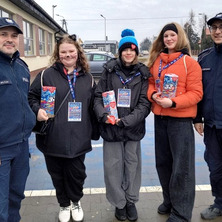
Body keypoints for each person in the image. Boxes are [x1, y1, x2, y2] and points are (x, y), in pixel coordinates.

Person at [28, 34, 96, 222]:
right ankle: (64, 204)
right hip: (52, 137)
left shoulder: (88, 78)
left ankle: (76, 201)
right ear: (58, 54)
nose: (67, 55)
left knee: (77, 175)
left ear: (78, 52)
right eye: (63, 52)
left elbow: (93, 106)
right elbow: (31, 97)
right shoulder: (46, 75)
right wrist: (38, 110)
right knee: (57, 175)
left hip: (78, 137)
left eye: (71, 51)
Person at [147, 22, 203, 222]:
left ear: (179, 37)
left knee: (182, 168)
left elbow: (196, 93)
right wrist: (153, 95)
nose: (169, 39)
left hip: (180, 121)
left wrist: (173, 102)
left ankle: (181, 213)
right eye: (165, 36)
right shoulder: (157, 61)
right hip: (160, 119)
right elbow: (151, 83)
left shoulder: (190, 63)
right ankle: (169, 200)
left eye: (172, 35)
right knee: (163, 163)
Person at [94, 29, 151, 221]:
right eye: (125, 49)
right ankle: (119, 203)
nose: (128, 53)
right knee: (113, 167)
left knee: (132, 165)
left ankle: (131, 201)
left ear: (136, 52)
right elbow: (97, 97)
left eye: (132, 49)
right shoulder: (109, 71)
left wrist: (127, 121)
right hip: (111, 128)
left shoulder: (142, 74)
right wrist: (103, 116)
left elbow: (145, 103)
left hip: (132, 128)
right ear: (120, 51)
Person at [0, 17, 36, 222]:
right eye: (3, 34)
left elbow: (23, 101)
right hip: (2, 148)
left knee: (16, 197)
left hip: (22, 146)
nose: (10, 39)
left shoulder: (22, 67)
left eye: (14, 36)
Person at [194, 12, 222, 220]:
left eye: (221, 27)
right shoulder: (204, 57)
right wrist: (197, 118)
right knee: (215, 167)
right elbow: (198, 91)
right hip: (212, 126)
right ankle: (219, 203)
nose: (218, 31)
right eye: (214, 28)